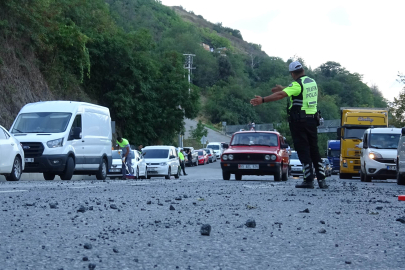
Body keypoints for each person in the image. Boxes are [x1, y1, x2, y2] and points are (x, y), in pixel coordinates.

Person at [250, 61, 328, 189]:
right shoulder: (311, 82)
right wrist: (284, 88)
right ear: (302, 70)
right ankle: (322, 180)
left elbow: (282, 95)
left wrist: (262, 100)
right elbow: (299, 92)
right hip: (312, 120)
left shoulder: (297, 84)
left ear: (292, 73)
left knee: (303, 150)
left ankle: (308, 180)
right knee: (314, 149)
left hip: (299, 121)